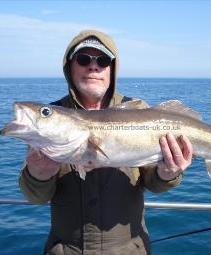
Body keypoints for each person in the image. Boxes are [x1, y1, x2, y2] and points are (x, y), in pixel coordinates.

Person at [19, 30, 194, 255]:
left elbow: (153, 184)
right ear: (69, 68)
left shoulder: (140, 112)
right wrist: (38, 174)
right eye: (83, 60)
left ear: (112, 69)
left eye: (102, 61)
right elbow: (36, 197)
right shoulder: (51, 121)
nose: (93, 66)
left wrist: (168, 174)